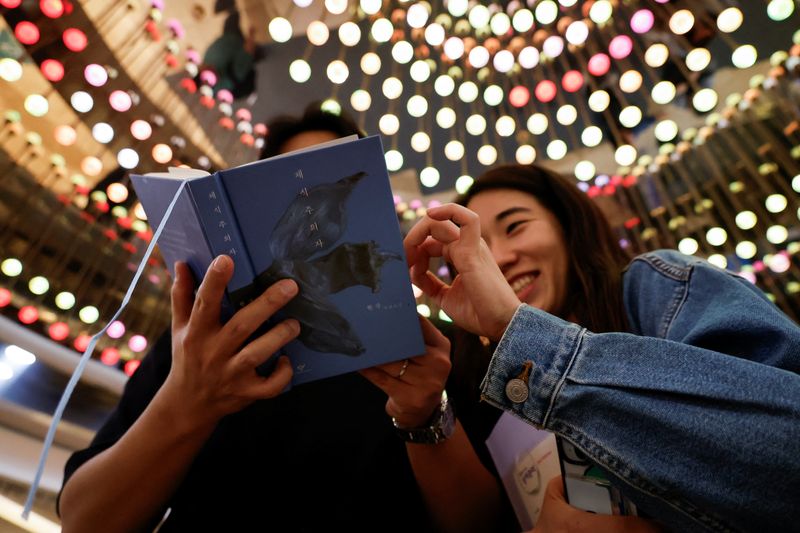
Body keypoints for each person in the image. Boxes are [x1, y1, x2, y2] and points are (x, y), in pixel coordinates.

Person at [58, 105, 446, 532]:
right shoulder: (197, 347)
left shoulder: (422, 360)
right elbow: (83, 521)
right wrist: (190, 400)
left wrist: (426, 415)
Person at [395, 163, 800, 532]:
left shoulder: (654, 290)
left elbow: (782, 453)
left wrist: (516, 329)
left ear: (567, 226)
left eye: (515, 226)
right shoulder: (490, 383)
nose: (499, 258)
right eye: (480, 248)